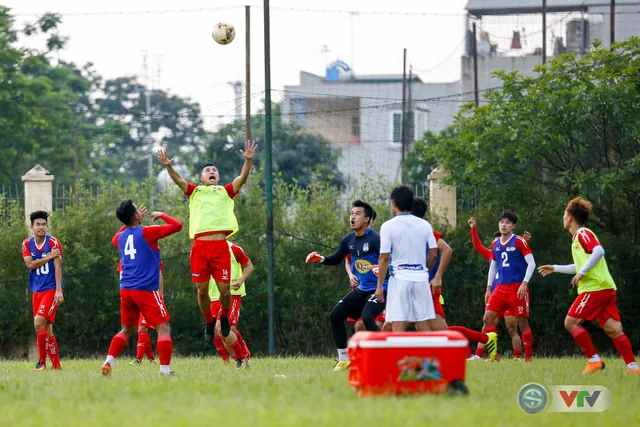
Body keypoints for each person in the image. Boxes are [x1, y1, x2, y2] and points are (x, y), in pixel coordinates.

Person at [156, 142, 255, 368]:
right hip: (200, 247)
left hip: (220, 247)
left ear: (218, 178)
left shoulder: (225, 191)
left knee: (224, 291)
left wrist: (248, 160)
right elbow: (179, 181)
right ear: (201, 178)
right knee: (201, 291)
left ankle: (225, 320)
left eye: (215, 171)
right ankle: (210, 323)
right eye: (207, 171)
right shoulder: (196, 192)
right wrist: (168, 166)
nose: (212, 172)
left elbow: (242, 179)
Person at [538, 197, 639, 375]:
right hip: (605, 288)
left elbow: (599, 251)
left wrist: (583, 272)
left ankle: (594, 361)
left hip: (595, 288)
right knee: (613, 329)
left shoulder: (583, 234)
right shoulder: (578, 239)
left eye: (564, 214)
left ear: (569, 217)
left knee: (570, 322)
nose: (563, 217)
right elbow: (579, 266)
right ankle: (633, 367)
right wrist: (555, 268)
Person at [101, 202, 182, 376]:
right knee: (163, 328)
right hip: (145, 289)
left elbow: (117, 236)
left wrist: (129, 221)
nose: (140, 211)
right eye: (137, 210)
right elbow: (177, 226)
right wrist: (161, 215)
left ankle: (108, 361)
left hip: (126, 289)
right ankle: (165, 371)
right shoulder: (148, 232)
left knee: (127, 329)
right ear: (136, 216)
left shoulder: (120, 238)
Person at [305, 200, 386, 371]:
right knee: (334, 316)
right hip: (361, 290)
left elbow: (388, 259)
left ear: (367, 219)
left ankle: (384, 356)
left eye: (357, 214)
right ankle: (344, 359)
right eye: (351, 213)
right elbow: (336, 259)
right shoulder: (348, 240)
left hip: (380, 289)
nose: (352, 217)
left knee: (367, 318)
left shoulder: (376, 239)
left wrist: (383, 270)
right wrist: (320, 259)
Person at [374, 186, 437, 332]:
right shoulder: (425, 225)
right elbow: (433, 253)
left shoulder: (388, 226)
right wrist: (424, 270)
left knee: (398, 323)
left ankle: (399, 355)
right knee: (423, 323)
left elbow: (384, 258)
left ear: (394, 203)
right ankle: (430, 355)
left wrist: (379, 287)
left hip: (399, 279)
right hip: (421, 279)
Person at [468, 218, 530, 361]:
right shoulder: (492, 254)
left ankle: (518, 356)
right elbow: (477, 245)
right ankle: (484, 355)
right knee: (487, 325)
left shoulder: (512, 248)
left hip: (511, 293)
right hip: (497, 295)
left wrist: (526, 242)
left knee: (512, 329)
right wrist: (473, 229)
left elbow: (520, 257)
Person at [22, 211, 63, 371]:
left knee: (38, 322)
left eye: (44, 224)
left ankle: (41, 363)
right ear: (32, 227)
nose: (41, 227)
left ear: (47, 226)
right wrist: (48, 257)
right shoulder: (26, 244)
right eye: (38, 224)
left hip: (51, 290)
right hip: (36, 290)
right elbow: (30, 265)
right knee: (46, 329)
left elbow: (58, 266)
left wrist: (59, 290)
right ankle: (56, 365)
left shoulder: (53, 242)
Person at [410, 197, 452, 331]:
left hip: (422, 285)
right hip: (423, 285)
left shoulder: (422, 230)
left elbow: (446, 249)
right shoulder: (413, 230)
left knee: (393, 325)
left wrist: (437, 276)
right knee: (439, 329)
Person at [210, 241, 253, 369]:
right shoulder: (205, 248)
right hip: (213, 296)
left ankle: (242, 358)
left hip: (232, 294)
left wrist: (240, 280)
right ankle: (239, 360)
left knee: (223, 329)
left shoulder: (234, 249)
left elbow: (249, 266)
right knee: (221, 333)